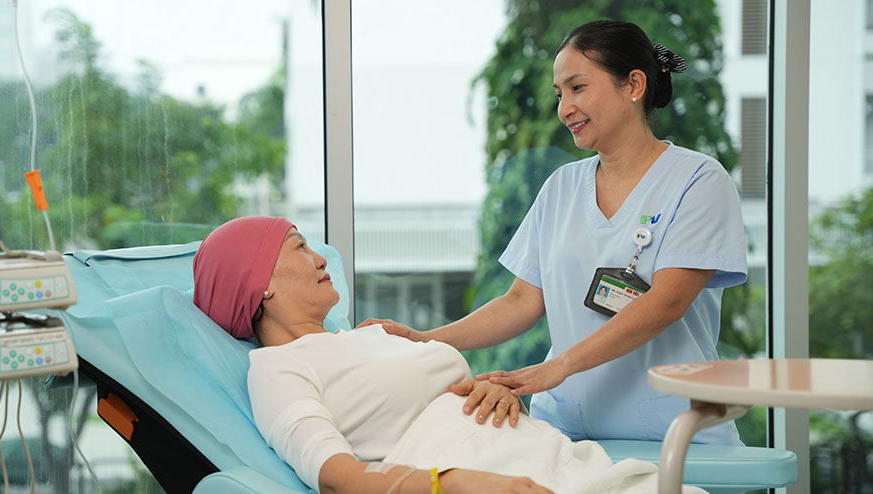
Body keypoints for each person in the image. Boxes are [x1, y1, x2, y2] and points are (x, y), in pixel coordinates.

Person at [360, 20, 747, 446]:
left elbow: (667, 302)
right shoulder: (561, 186)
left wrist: (557, 367)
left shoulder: (697, 180)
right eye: (559, 94)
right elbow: (521, 301)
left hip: (673, 431)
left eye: (578, 88)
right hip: (568, 433)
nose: (564, 109)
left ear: (633, 85)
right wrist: (426, 339)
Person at [192, 216, 706, 494]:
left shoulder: (370, 336)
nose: (320, 257)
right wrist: (458, 483)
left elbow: (441, 398)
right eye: (300, 248)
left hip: (553, 460)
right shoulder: (277, 368)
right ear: (259, 285)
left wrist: (494, 393)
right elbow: (336, 477)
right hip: (483, 479)